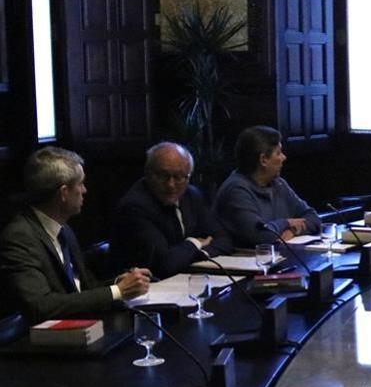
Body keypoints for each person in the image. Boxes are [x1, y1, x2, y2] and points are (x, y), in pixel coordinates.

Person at [0, 147, 150, 321]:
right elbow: (40, 305)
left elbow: (84, 289)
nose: (84, 190)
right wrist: (117, 291)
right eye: (80, 183)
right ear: (64, 193)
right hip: (44, 342)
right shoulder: (19, 237)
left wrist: (119, 284)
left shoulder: (64, 230)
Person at [112, 142, 234, 278]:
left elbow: (224, 239)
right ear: (148, 173)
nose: (171, 184)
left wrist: (199, 254)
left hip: (186, 280)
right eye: (163, 176)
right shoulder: (134, 207)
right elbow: (165, 263)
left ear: (189, 177)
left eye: (179, 177)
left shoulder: (192, 195)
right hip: (147, 289)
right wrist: (195, 243)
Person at [213, 126, 320, 247]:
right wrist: (287, 222)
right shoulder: (236, 190)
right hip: (248, 262)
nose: (284, 158)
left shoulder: (279, 184)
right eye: (278, 153)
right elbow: (260, 236)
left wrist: (293, 230)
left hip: (280, 258)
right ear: (263, 160)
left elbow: (314, 219)